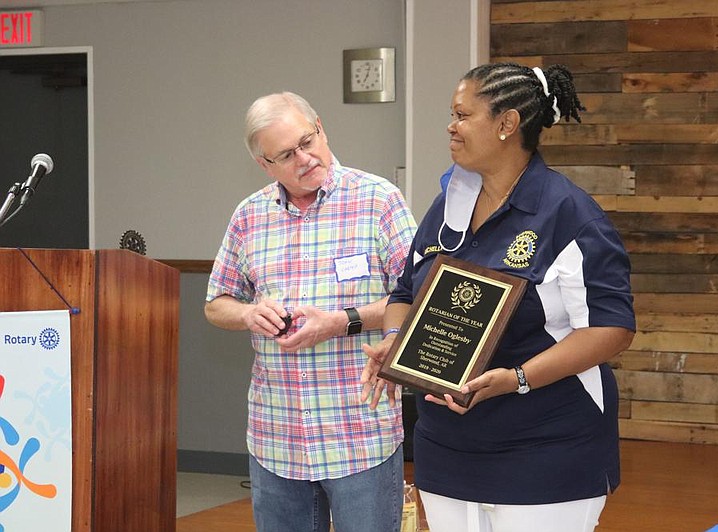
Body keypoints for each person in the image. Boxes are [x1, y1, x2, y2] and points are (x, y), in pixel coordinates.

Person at [361, 63, 636, 532]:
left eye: (463, 114)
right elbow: (406, 291)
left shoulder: (569, 214)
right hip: (446, 449)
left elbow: (612, 329)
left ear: (507, 124)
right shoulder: (449, 202)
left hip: (546, 448)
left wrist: (517, 379)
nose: (451, 125)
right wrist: (395, 339)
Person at [205, 91, 416, 532]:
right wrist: (247, 314)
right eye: (286, 154)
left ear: (320, 125)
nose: (305, 158)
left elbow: (417, 297)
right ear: (264, 164)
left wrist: (342, 321)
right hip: (276, 437)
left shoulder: (378, 200)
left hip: (360, 433)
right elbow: (215, 304)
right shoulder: (249, 216)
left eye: (308, 139)